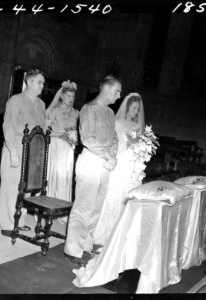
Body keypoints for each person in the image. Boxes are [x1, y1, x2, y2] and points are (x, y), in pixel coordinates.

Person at [64, 75, 121, 265]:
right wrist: (108, 156)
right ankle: (72, 250)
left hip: (105, 165)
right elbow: (88, 139)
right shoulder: (89, 109)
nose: (119, 96)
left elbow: (114, 138)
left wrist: (112, 155)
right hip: (90, 163)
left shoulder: (111, 113)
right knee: (83, 208)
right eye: (116, 91)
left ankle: (85, 246)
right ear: (106, 89)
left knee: (96, 209)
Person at [0, 69, 47, 237]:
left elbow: (42, 129)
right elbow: (8, 126)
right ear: (29, 82)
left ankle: (19, 220)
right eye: (39, 82)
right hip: (16, 147)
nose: (42, 86)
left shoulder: (41, 104)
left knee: (24, 188)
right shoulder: (16, 100)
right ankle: (6, 223)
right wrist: (13, 152)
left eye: (42, 83)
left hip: (32, 151)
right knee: (11, 187)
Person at [93, 93, 145, 246]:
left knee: (128, 195)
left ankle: (122, 234)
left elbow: (139, 145)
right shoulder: (117, 122)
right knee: (114, 195)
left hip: (131, 164)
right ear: (127, 107)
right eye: (134, 108)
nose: (136, 112)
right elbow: (112, 142)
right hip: (120, 162)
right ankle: (107, 233)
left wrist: (140, 148)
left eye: (138, 109)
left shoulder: (136, 126)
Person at [46, 80, 79, 222]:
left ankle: (61, 211)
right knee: (55, 176)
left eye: (72, 97)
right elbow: (45, 131)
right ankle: (48, 208)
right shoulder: (54, 111)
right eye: (67, 96)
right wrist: (60, 135)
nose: (70, 99)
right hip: (56, 146)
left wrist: (74, 137)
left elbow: (79, 131)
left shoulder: (77, 113)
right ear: (62, 96)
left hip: (68, 148)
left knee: (65, 177)